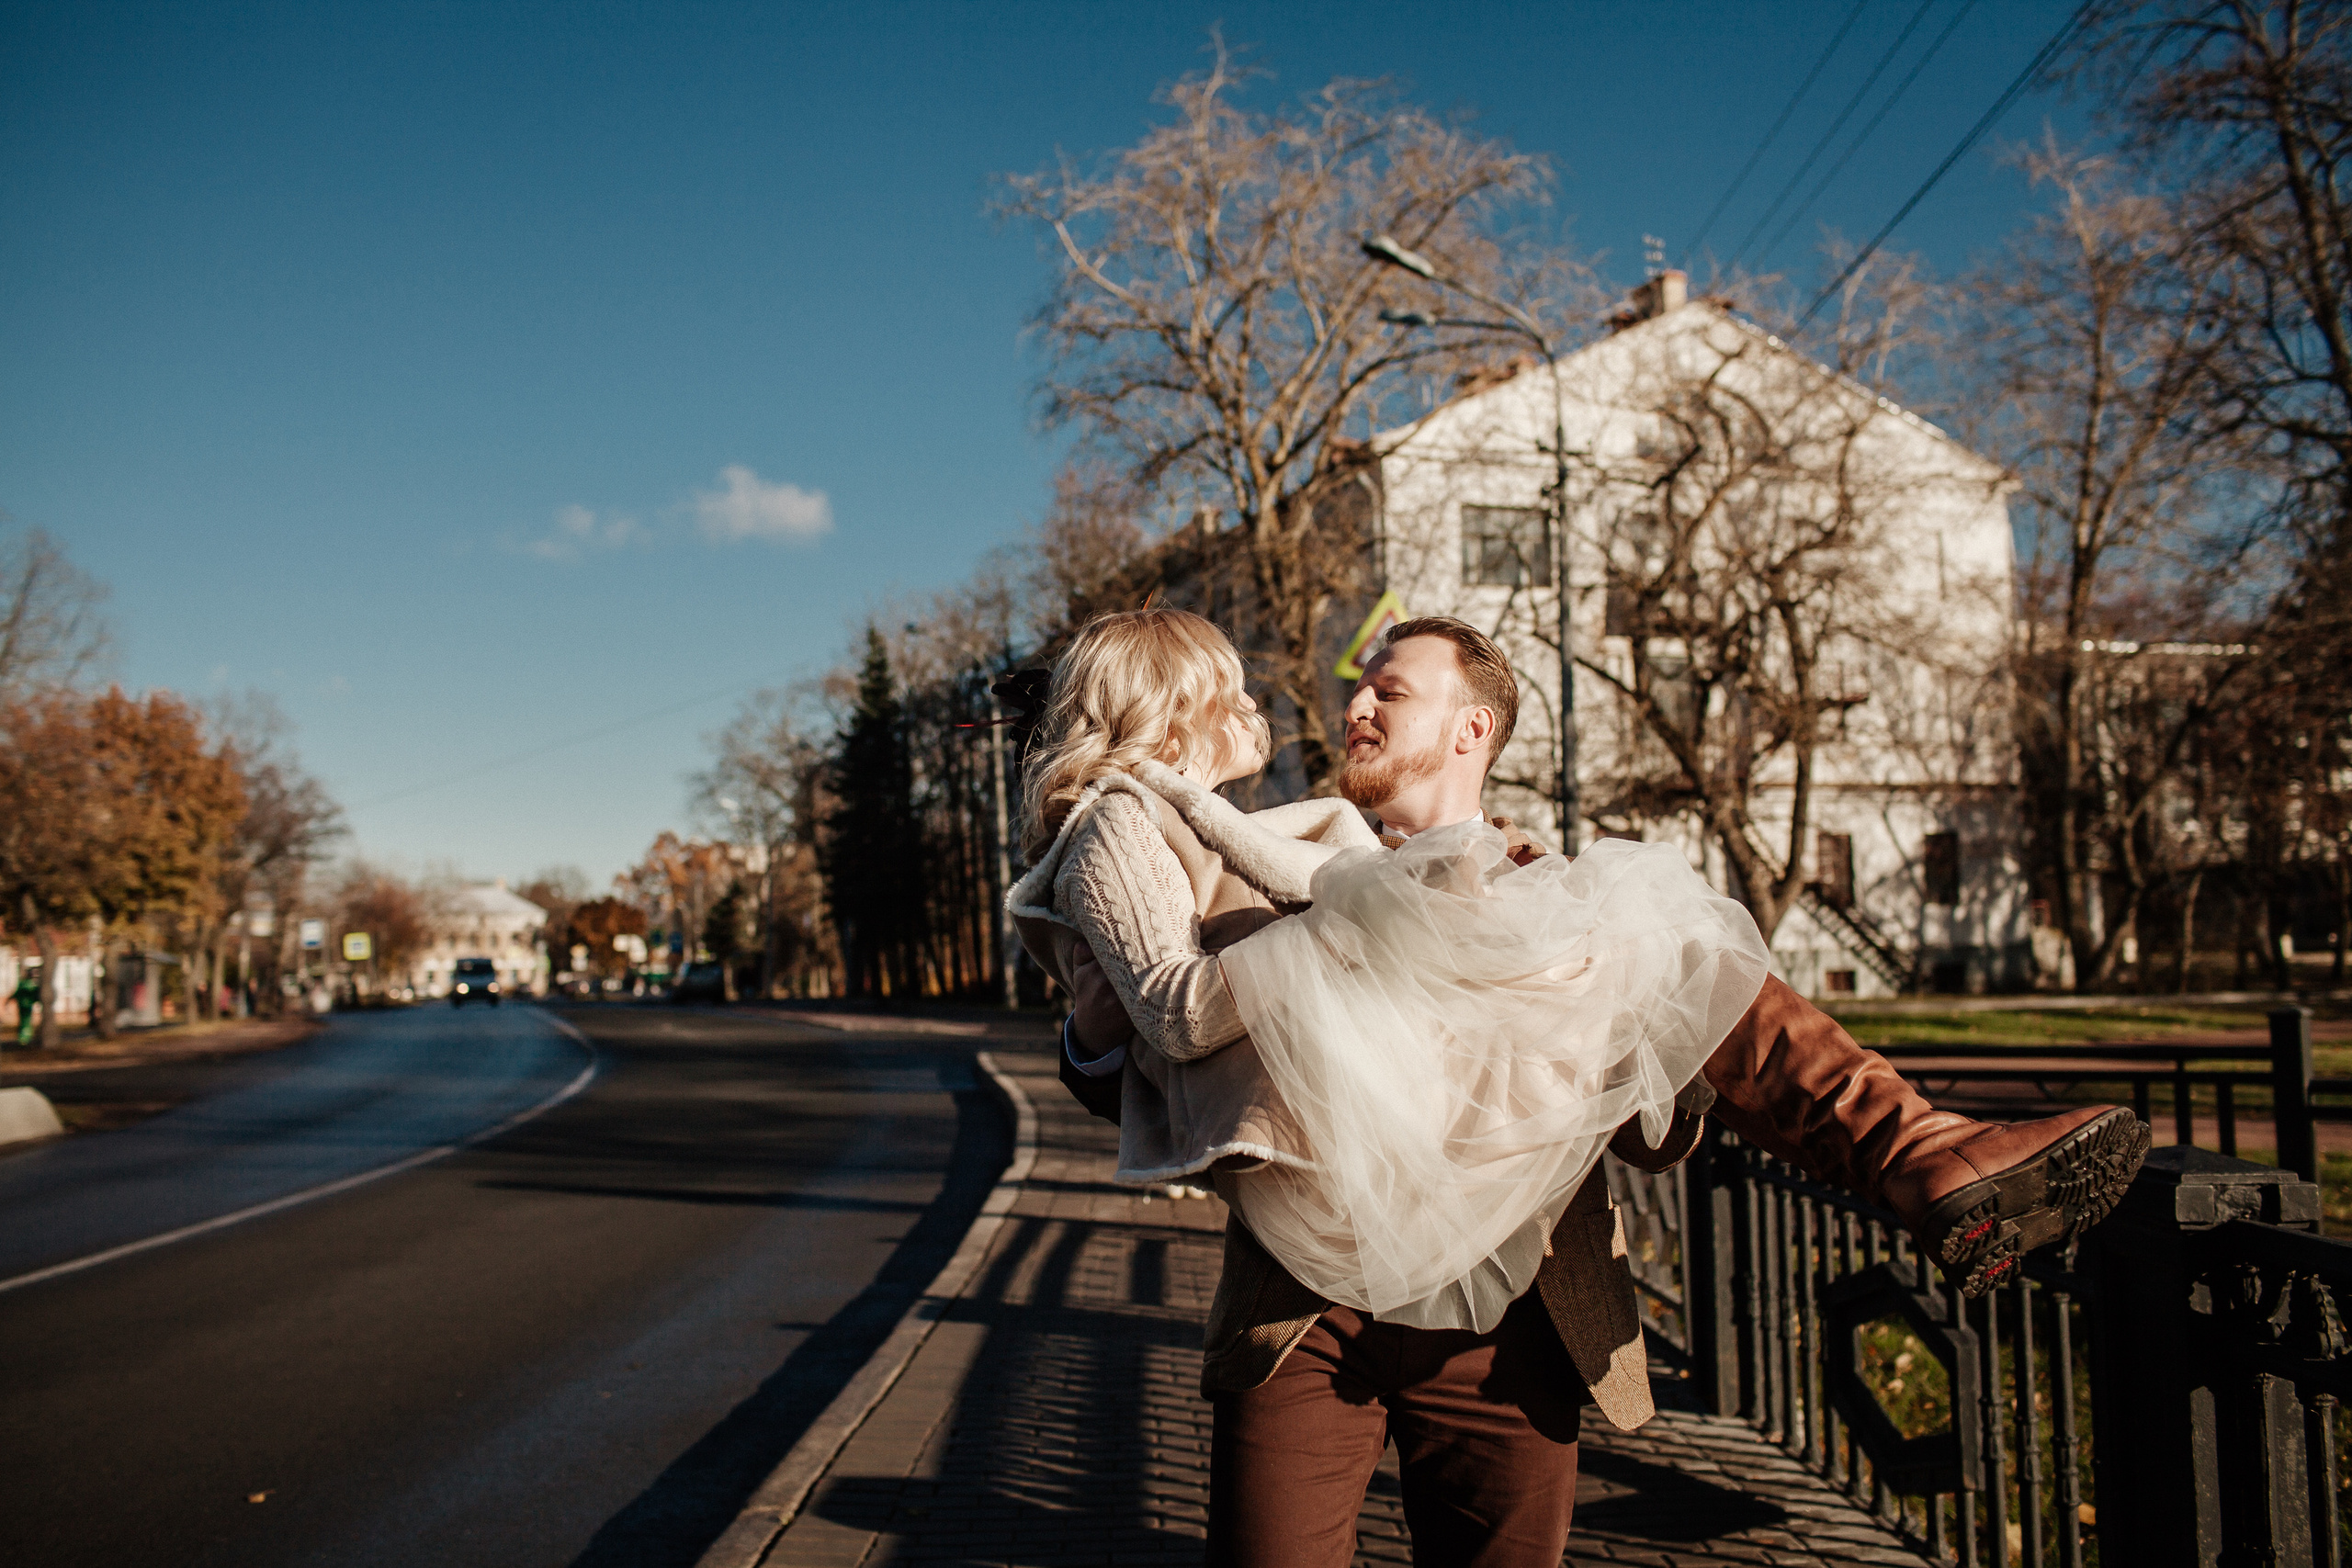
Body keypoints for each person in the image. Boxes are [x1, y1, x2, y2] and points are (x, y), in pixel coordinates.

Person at [1013, 608, 2148, 1568]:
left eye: (1388, 692)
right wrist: (1090, 1032)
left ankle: (1919, 1154)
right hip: (1306, 1312)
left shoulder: (1557, 901)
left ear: (1470, 728)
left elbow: (1657, 1139)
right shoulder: (1250, 860)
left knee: (1670, 943)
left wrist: (1624, 1061)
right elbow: (1158, 1065)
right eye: (1358, 690)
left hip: (1513, 1318)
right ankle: (1920, 1155)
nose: (1354, 708)